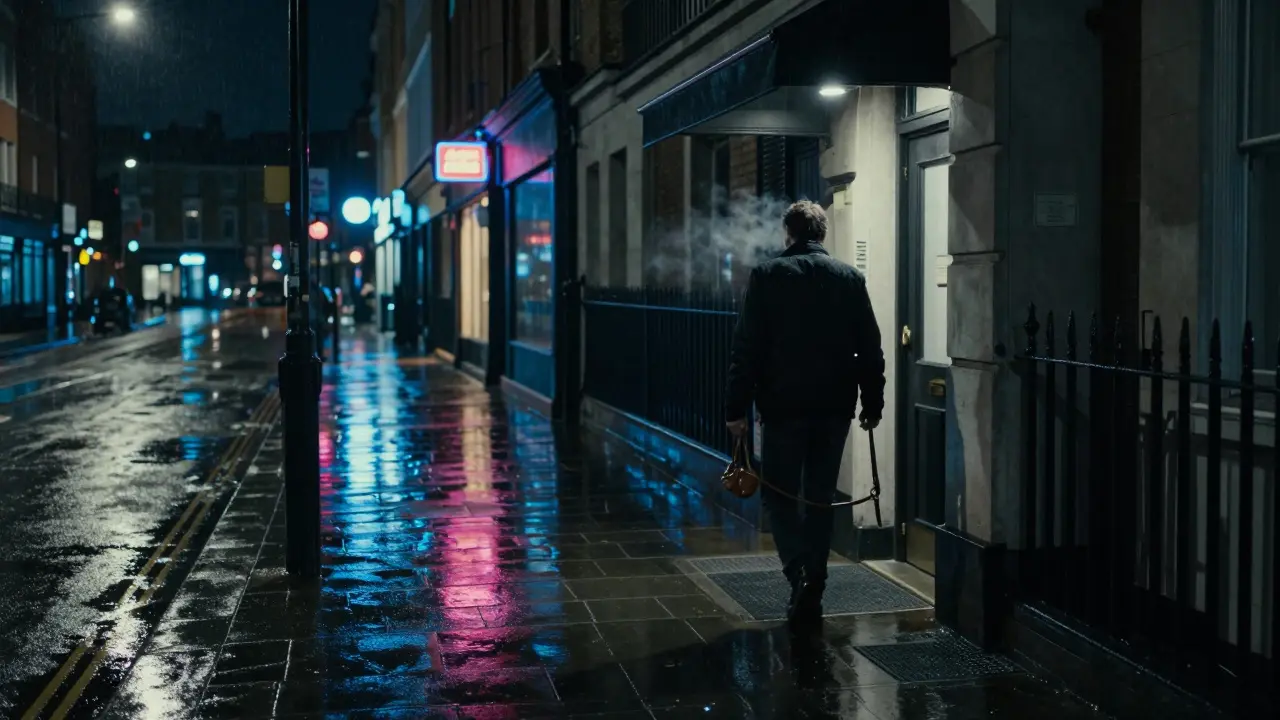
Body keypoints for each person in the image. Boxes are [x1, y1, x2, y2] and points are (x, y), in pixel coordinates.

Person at [724, 199, 885, 627]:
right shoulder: (850, 278)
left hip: (782, 407)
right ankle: (815, 575)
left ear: (788, 234)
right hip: (834, 407)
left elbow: (747, 349)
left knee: (778, 494)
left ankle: (797, 570)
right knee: (819, 496)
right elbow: (870, 347)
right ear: (822, 234)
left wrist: (735, 408)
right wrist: (873, 402)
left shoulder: (767, 276)